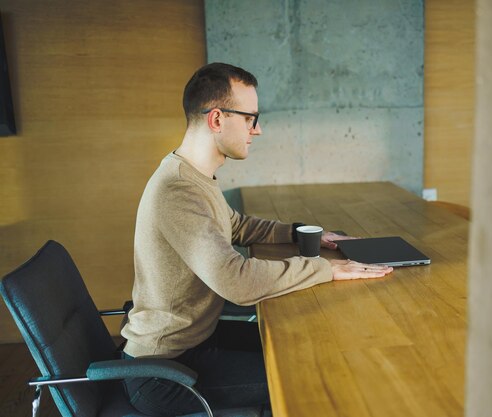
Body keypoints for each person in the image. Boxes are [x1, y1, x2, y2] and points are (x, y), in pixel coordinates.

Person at [120, 62, 393, 416]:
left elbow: (233, 225)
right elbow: (236, 281)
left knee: (307, 346)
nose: (258, 129)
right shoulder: (178, 190)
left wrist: (298, 233)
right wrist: (324, 269)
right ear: (217, 119)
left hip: (195, 342)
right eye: (250, 118)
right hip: (164, 371)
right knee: (312, 374)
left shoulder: (193, 175)